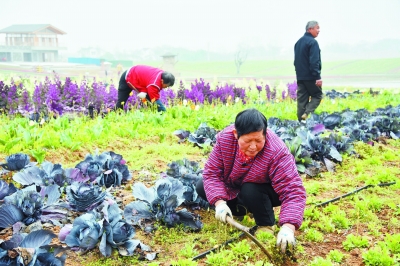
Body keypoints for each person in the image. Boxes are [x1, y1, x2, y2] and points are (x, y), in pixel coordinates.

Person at [196, 108, 306, 253]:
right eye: (248, 141)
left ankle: (266, 224)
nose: (253, 146)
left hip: (264, 191)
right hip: (236, 188)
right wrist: (220, 203)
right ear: (236, 134)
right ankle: (240, 210)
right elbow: (212, 173)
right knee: (202, 185)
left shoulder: (276, 151)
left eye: (259, 140)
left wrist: (288, 227)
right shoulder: (225, 140)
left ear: (265, 135)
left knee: (250, 189)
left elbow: (293, 190)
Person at [294, 21, 323, 122]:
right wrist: (317, 76)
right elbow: (314, 61)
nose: (319, 31)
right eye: (317, 28)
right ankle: (307, 113)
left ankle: (300, 123)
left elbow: (295, 61)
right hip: (311, 77)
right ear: (310, 29)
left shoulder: (298, 42)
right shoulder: (313, 43)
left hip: (300, 77)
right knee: (318, 95)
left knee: (302, 100)